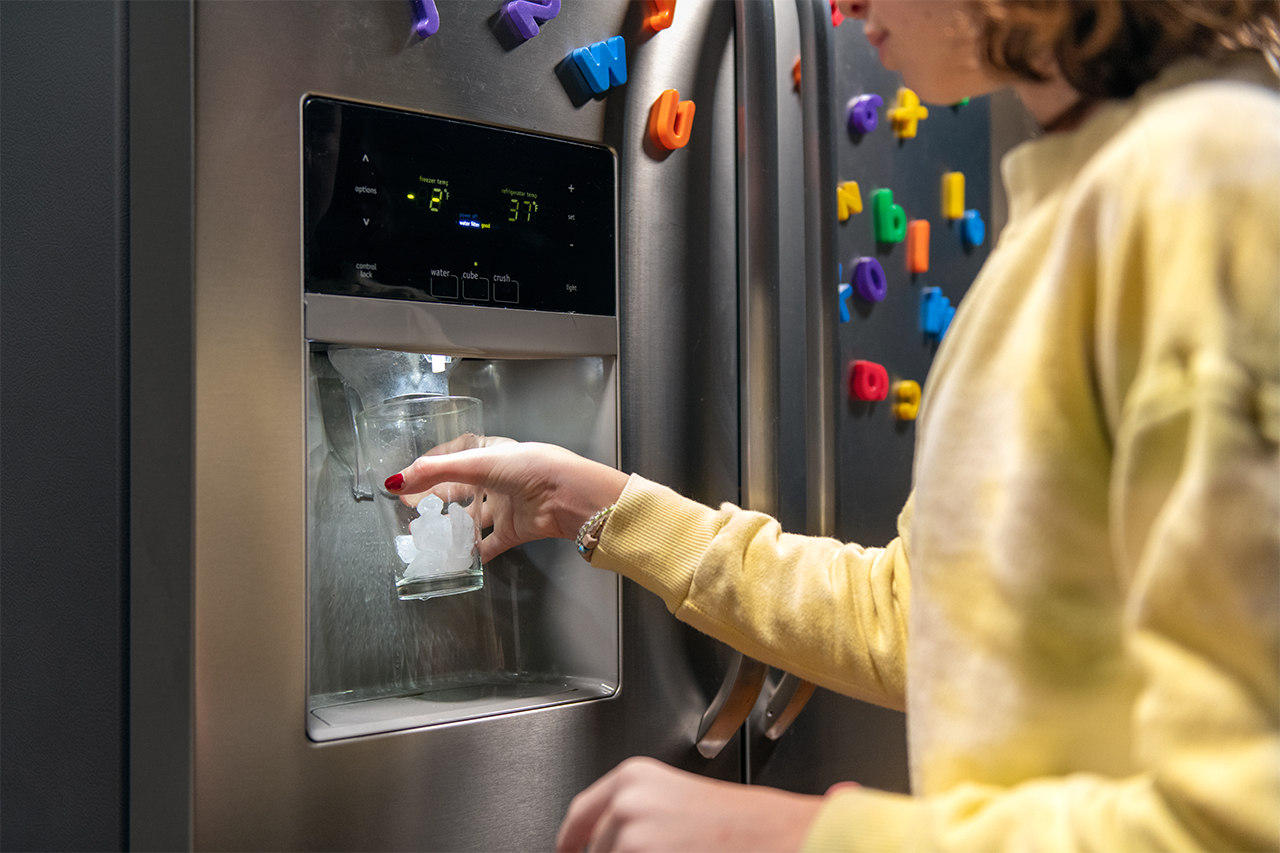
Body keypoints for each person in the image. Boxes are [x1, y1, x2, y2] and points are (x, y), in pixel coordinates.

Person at [386, 1, 1280, 849]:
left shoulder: (1210, 192)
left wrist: (812, 835)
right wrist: (591, 500)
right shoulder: (1093, 196)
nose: (839, 5)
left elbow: (1248, 817)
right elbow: (918, 620)